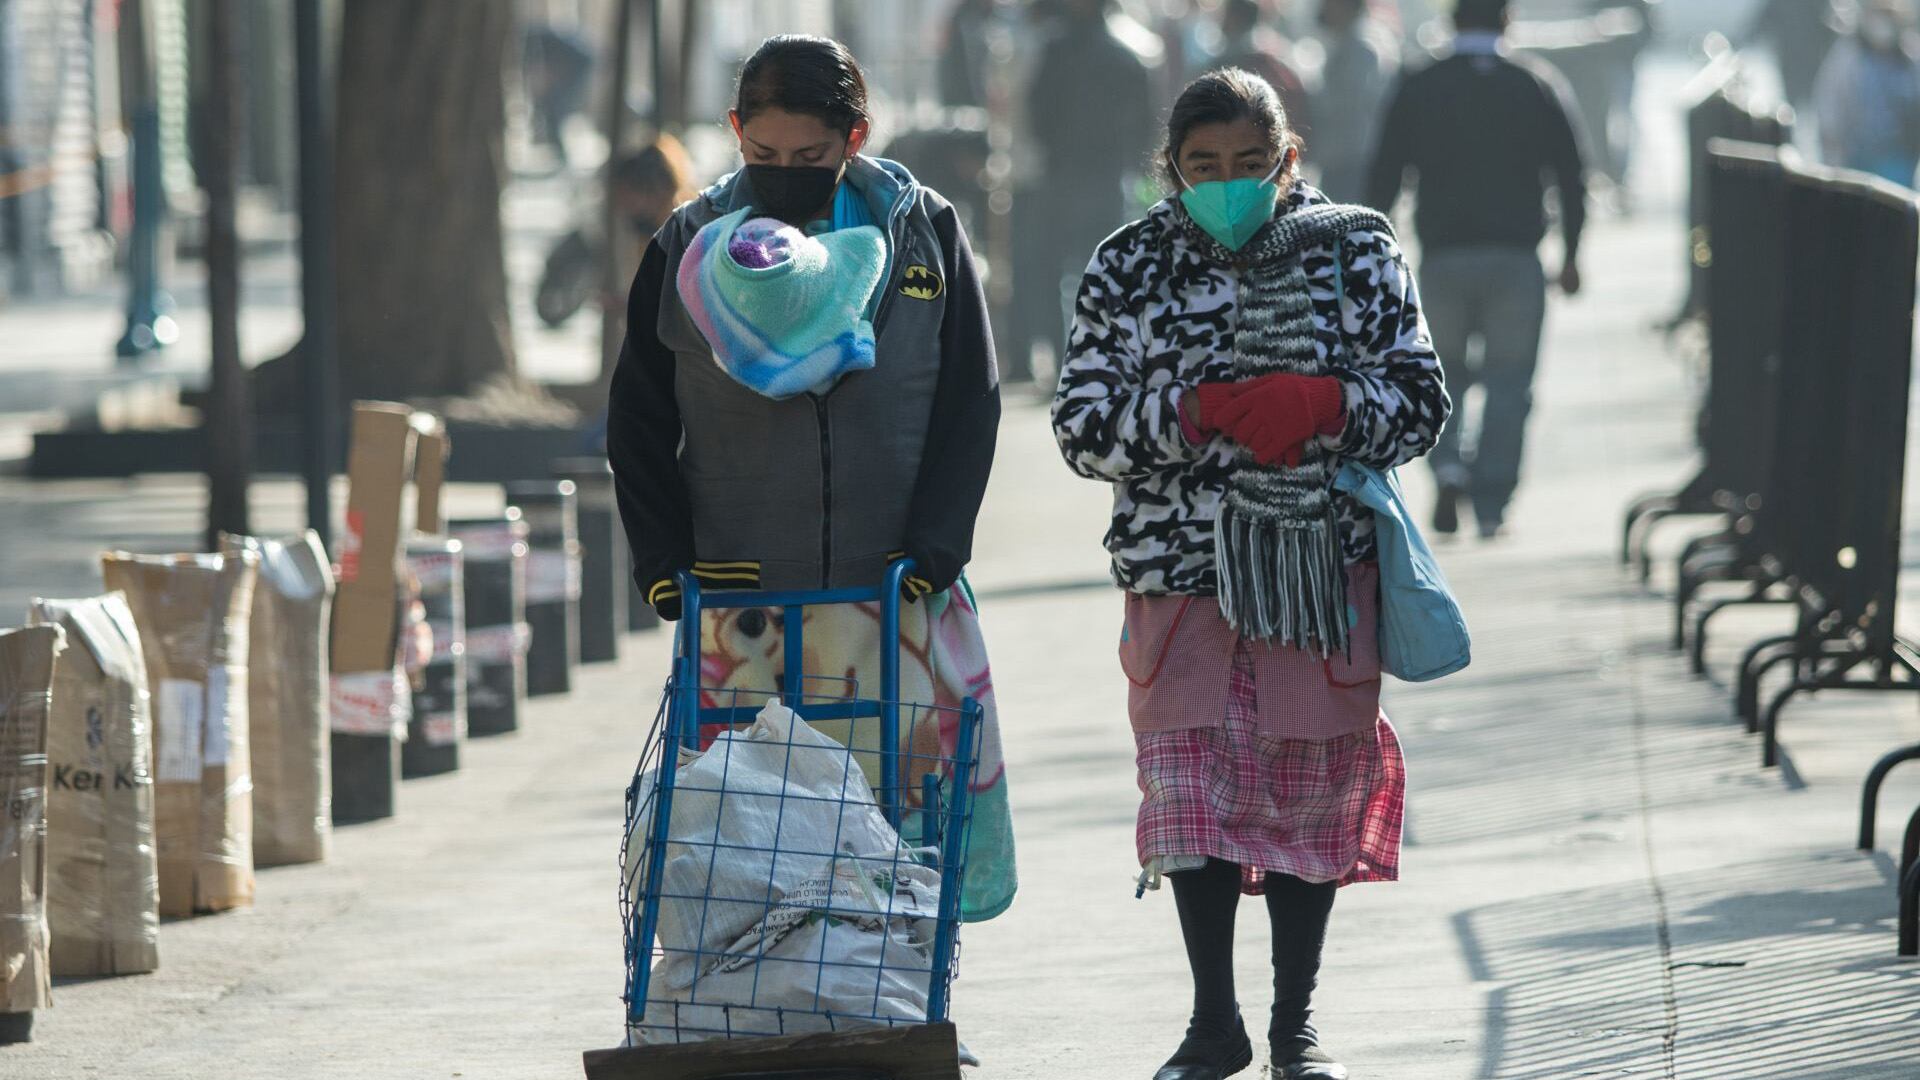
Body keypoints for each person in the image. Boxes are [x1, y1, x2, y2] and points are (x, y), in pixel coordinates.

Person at [1052, 67, 1448, 1080]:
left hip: (1318, 573)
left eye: (1248, 165)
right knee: (1191, 799)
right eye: (1202, 167)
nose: (1226, 184)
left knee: (1306, 797)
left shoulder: (1356, 249)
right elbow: (1083, 425)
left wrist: (1324, 404)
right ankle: (1213, 1023)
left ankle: (1295, 1028)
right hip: (1178, 577)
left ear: (1288, 161)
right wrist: (1197, 414)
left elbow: (1417, 396)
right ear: (1170, 171)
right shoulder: (1127, 264)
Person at [607, 35, 1017, 920]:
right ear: (733, 133)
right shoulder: (689, 249)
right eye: (763, 157)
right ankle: (760, 1020)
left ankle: (905, 1004)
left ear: (856, 137)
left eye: (811, 157)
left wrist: (938, 548)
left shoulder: (924, 236)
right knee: (751, 835)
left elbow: (968, 401)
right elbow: (638, 421)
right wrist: (664, 565)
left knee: (901, 826)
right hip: (741, 608)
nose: (785, 174)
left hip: (893, 596)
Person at [1366, 0, 1586, 539]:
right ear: (1507, 21)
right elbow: (1572, 174)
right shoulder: (1535, 84)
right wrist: (1574, 253)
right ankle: (1492, 501)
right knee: (1511, 382)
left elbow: (1384, 175)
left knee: (1443, 375)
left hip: (1443, 257)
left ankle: (1448, 469)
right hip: (1516, 257)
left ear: (1451, 21)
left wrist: (1371, 256)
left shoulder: (1419, 84)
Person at [1813, 0, 1920, 186]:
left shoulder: (1912, 58)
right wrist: (1832, 155)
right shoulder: (1847, 54)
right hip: (1855, 160)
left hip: (1900, 162)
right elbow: (1829, 106)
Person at [1310, 0, 1397, 202]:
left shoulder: (1361, 48)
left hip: (1351, 159)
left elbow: (1350, 104)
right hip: (1344, 156)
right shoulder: (1350, 42)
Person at [1207, 0, 1314, 140]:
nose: (1222, 23)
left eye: (1226, 16)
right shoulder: (1275, 58)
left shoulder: (1247, 61)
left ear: (1237, 18)